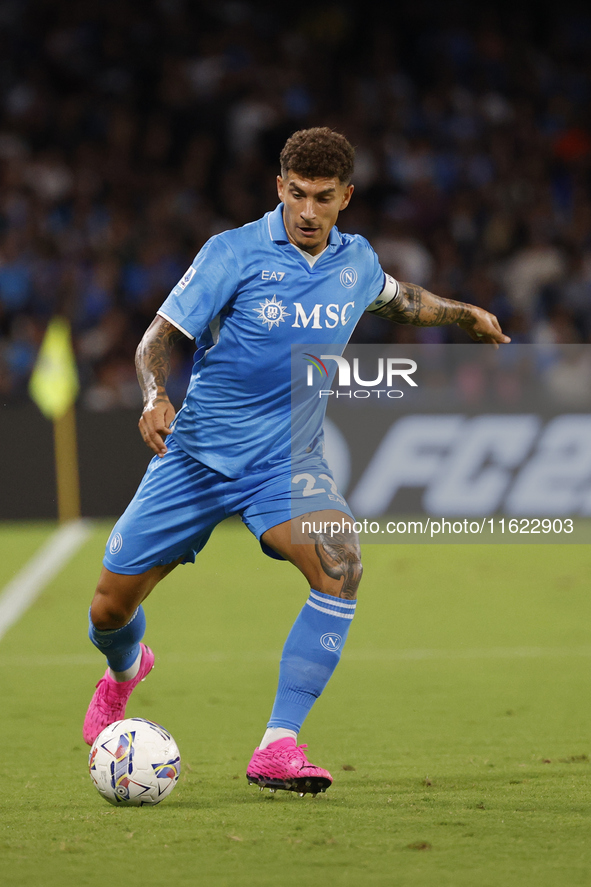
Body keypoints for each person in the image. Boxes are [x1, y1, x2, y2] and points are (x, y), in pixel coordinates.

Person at [83, 127, 509, 797]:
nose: (307, 212)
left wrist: (465, 316)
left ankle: (277, 745)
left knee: (340, 563)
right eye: (296, 194)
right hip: (194, 456)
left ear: (345, 197)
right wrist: (155, 394)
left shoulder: (356, 261)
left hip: (284, 462)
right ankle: (124, 670)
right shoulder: (233, 253)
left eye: (322, 198)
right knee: (108, 609)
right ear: (279, 187)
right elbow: (158, 337)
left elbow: (402, 302)